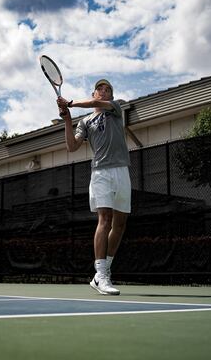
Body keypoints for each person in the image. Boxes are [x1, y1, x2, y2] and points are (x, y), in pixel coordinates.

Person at [56, 79, 131, 295]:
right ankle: (101, 274)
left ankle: (102, 273)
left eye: (108, 89)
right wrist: (67, 118)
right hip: (100, 172)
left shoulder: (116, 107)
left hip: (122, 170)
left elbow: (89, 104)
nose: (105, 91)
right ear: (94, 92)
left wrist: (70, 103)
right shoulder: (86, 122)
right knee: (104, 219)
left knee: (120, 223)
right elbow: (72, 146)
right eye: (101, 88)